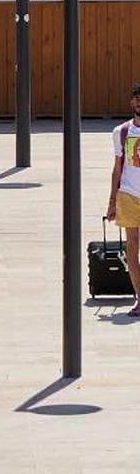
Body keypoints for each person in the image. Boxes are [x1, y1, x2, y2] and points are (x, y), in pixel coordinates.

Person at [106, 83, 140, 315]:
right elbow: (117, 167)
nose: (139, 101)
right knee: (132, 246)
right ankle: (139, 297)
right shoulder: (122, 131)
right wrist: (111, 202)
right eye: (136, 97)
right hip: (129, 194)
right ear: (131, 102)